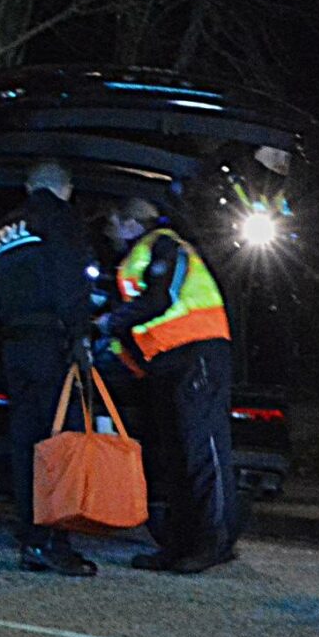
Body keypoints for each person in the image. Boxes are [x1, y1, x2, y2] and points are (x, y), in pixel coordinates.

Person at [97, 195, 237, 575]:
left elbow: (162, 298)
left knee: (202, 451)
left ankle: (215, 542)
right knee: (174, 457)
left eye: (112, 223)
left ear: (130, 223)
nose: (109, 232)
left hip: (198, 354)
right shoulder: (136, 258)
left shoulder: (165, 244)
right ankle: (179, 545)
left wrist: (111, 322)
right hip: (167, 362)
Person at [0, 161, 100, 577]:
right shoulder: (60, 218)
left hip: (16, 345)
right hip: (52, 343)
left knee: (27, 444)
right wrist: (80, 332)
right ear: (64, 188)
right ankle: (56, 540)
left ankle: (31, 539)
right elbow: (72, 280)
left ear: (28, 186)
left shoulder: (5, 226)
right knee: (61, 445)